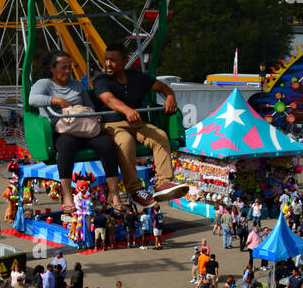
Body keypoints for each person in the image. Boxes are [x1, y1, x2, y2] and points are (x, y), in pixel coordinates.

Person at [91, 44, 188, 203]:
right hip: (113, 125)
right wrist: (126, 110)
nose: (108, 64)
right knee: (126, 142)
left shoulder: (136, 77)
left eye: (113, 60)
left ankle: (163, 182)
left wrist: (170, 96)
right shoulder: (102, 80)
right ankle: (135, 189)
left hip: (137, 123)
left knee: (160, 136)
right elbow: (108, 99)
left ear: (125, 61)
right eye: (106, 59)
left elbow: (162, 87)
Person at [28, 52, 123, 212]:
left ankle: (113, 193)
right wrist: (55, 100)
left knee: (107, 145)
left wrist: (79, 111)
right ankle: (66, 195)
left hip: (84, 128)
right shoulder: (44, 84)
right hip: (62, 130)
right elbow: (33, 100)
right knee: (66, 146)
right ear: (52, 68)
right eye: (63, 67)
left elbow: (90, 106)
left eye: (69, 68)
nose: (67, 71)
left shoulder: (77, 85)